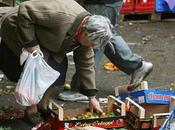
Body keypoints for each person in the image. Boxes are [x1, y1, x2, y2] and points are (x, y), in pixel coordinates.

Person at [0, 0, 114, 125]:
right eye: (92, 43)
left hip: (47, 37)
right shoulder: (61, 15)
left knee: (58, 69)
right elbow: (25, 9)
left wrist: (91, 97)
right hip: (20, 28)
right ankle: (31, 111)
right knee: (37, 68)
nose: (92, 46)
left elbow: (86, 65)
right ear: (85, 33)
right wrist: (31, 44)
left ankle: (42, 105)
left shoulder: (86, 35)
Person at [58, 0, 153, 101]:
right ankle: (136, 65)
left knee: (93, 37)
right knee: (103, 35)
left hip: (102, 3)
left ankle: (83, 89)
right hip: (106, 3)